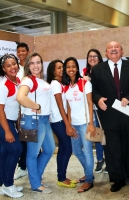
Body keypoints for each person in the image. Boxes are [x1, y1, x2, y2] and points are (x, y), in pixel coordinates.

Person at [91, 41, 129, 192]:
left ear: (122, 51)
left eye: (116, 47)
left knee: (128, 146)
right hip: (109, 115)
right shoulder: (98, 69)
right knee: (112, 148)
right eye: (110, 48)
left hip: (128, 113)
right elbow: (93, 89)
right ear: (106, 52)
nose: (113, 49)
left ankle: (126, 172)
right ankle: (117, 178)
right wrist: (98, 99)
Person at [0, 54, 23, 198]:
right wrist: (7, 131)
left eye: (14, 64)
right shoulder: (2, 86)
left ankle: (3, 185)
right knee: (16, 149)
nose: (12, 67)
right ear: (3, 69)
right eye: (8, 65)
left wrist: (16, 124)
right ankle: (8, 184)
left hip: (7, 120)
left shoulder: (18, 81)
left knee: (3, 152)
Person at [16, 52, 55, 193]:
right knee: (32, 154)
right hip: (33, 121)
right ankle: (35, 184)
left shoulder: (42, 81)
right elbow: (20, 97)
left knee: (49, 149)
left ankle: (36, 178)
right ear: (28, 66)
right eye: (32, 63)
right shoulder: (28, 80)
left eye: (38, 62)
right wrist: (36, 106)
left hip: (44, 120)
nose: (35, 65)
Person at [62, 57, 96, 193]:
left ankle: (89, 180)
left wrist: (91, 123)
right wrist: (69, 125)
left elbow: (90, 103)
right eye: (68, 67)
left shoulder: (84, 83)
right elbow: (69, 107)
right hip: (74, 124)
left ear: (77, 68)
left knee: (87, 152)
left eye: (73, 66)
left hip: (85, 123)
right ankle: (89, 173)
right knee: (76, 151)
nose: (71, 69)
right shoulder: (66, 86)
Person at [46, 60, 77, 188]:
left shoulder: (60, 83)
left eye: (62, 67)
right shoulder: (54, 84)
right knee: (67, 148)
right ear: (53, 71)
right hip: (58, 121)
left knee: (64, 149)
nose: (62, 70)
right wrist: (67, 125)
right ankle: (61, 178)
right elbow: (60, 105)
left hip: (61, 120)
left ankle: (62, 176)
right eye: (58, 68)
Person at [83, 49, 106, 174]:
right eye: (90, 56)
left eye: (95, 56)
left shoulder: (104, 70)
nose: (92, 58)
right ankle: (100, 159)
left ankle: (108, 159)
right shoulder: (85, 73)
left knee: (106, 135)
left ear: (99, 58)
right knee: (96, 135)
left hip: (103, 107)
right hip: (92, 110)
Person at [14, 42, 30, 180]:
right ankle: (22, 167)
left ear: (28, 51)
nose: (20, 53)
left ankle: (29, 166)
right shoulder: (16, 68)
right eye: (18, 51)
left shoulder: (31, 68)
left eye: (23, 50)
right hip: (19, 109)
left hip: (30, 108)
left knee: (32, 140)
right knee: (23, 139)